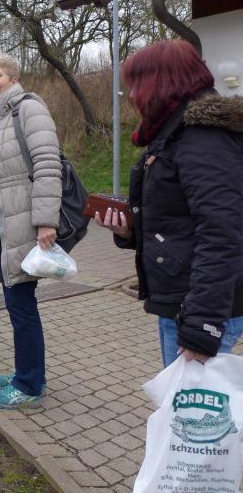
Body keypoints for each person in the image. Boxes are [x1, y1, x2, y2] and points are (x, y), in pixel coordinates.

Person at [94, 40, 243, 367]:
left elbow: (222, 232)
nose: (132, 95)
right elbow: (176, 221)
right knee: (183, 398)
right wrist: (129, 231)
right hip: (182, 300)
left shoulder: (203, 137)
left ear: (161, 83)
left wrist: (202, 326)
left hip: (201, 307)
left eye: (136, 84)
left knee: (191, 400)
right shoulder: (175, 134)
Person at [0, 54, 62, 410]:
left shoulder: (28, 109)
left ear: (13, 78)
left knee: (22, 306)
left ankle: (29, 384)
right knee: (16, 305)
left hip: (23, 223)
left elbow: (47, 164)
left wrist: (45, 220)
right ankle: (27, 373)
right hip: (0, 227)